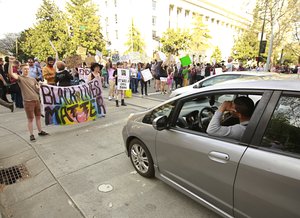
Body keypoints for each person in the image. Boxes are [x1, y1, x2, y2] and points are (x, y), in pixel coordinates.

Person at [8, 59, 49, 141]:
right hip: (28, 102)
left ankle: (40, 131)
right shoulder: (20, 78)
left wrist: (39, 87)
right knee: (30, 119)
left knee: (38, 117)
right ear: (21, 70)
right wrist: (10, 63)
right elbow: (11, 73)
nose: (26, 70)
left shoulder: (33, 79)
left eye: (27, 69)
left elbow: (37, 90)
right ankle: (31, 134)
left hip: (36, 100)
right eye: (24, 69)